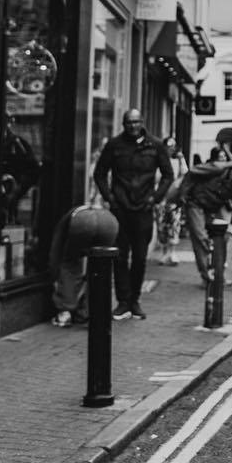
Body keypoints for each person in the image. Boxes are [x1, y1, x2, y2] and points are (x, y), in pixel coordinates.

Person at [93, 109, 173, 320]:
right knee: (119, 257)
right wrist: (110, 198)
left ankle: (135, 300)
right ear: (123, 124)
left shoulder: (155, 145)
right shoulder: (115, 145)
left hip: (143, 209)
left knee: (139, 257)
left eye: (136, 122)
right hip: (120, 208)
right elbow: (99, 174)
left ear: (142, 122)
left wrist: (154, 198)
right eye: (129, 123)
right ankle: (122, 302)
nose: (132, 126)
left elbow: (168, 175)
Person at [47, 201, 118, 327]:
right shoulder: (99, 211)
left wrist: (54, 276)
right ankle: (94, 313)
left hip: (83, 222)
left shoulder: (63, 223)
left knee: (69, 263)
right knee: (101, 266)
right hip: (109, 222)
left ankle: (65, 312)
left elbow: (55, 252)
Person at [179, 158, 232, 285]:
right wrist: (183, 192)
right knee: (201, 238)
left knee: (222, 238)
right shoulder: (218, 168)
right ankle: (207, 276)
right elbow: (192, 171)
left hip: (211, 207)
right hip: (194, 202)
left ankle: (218, 274)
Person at [153, 136, 187, 267]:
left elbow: (184, 174)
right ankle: (164, 252)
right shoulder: (158, 162)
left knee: (174, 224)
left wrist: (181, 158)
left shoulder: (176, 162)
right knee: (162, 225)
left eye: (173, 146)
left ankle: (172, 253)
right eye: (168, 146)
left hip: (173, 198)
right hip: (161, 198)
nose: (171, 149)